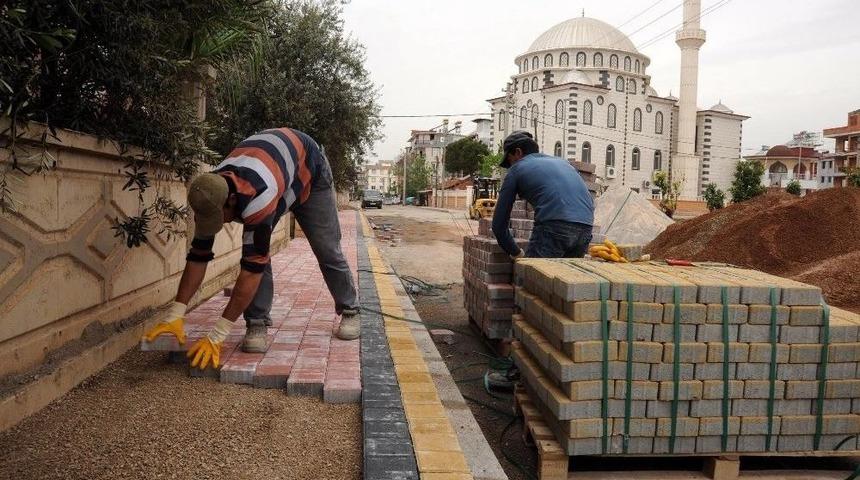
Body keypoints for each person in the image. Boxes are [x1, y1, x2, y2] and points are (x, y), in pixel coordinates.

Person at [143, 127, 360, 369]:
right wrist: (175, 314)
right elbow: (198, 257)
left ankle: (350, 309)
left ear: (232, 200)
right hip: (278, 174)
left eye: (220, 217)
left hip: (310, 174)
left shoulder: (259, 196)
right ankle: (257, 322)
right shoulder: (210, 191)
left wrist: (217, 335)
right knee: (257, 252)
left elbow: (250, 271)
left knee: (326, 249)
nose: (219, 224)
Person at [492, 131, 594, 259]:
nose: (510, 166)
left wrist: (516, 252)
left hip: (554, 228)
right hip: (586, 228)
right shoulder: (564, 163)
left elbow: (498, 226)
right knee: (567, 272)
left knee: (533, 271)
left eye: (509, 161)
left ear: (518, 152)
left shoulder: (516, 169)